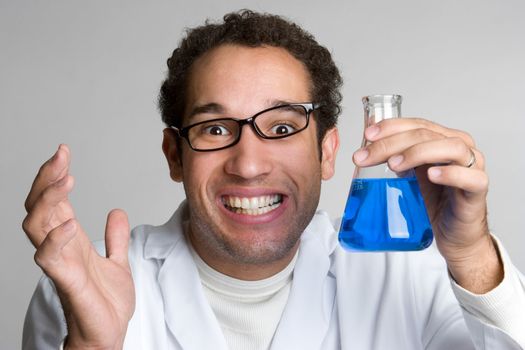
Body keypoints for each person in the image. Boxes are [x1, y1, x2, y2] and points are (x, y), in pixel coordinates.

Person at [22, 10, 525, 350]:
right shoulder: (85, 286)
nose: (248, 163)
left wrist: (471, 257)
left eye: (282, 127)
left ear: (328, 152)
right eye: (215, 128)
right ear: (174, 156)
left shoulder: (414, 274)